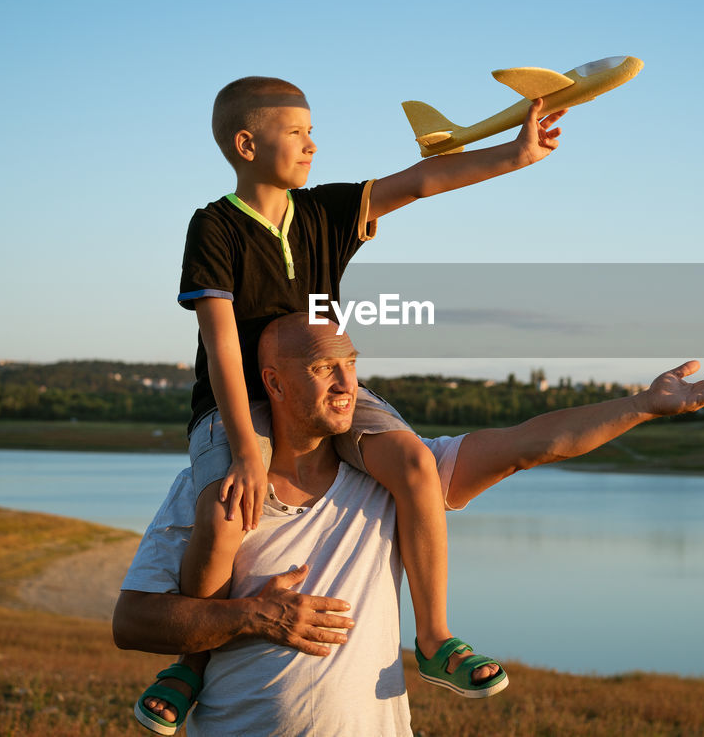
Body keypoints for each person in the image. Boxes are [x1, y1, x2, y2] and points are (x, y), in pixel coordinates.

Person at [135, 76, 568, 733]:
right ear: (247, 144)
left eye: (312, 131)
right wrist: (248, 452)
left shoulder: (322, 212)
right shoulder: (215, 226)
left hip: (328, 392)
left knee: (416, 466)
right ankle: (193, 661)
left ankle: (435, 640)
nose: (313, 144)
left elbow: (420, 181)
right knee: (224, 505)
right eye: (297, 133)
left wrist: (515, 154)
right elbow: (221, 342)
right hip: (240, 404)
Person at [114, 313, 704, 736]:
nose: (345, 384)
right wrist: (252, 616)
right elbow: (133, 621)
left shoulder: (391, 479)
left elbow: (534, 443)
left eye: (351, 365)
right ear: (273, 384)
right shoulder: (213, 491)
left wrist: (643, 405)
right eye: (320, 369)